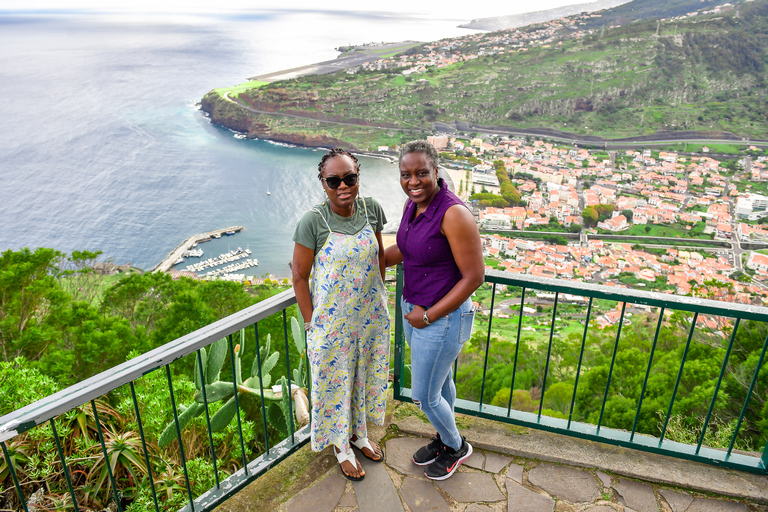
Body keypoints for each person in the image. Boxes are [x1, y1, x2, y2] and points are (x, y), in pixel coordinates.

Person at [385, 140, 484, 481]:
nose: (413, 181)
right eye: (406, 174)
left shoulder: (453, 213)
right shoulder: (412, 206)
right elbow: (407, 248)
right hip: (414, 310)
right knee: (441, 385)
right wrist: (370, 260)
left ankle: (456, 446)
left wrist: (428, 316)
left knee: (424, 397)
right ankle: (444, 439)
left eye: (421, 173)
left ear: (436, 172)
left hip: (441, 319)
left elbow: (474, 277)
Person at [291, 148, 390, 481]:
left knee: (361, 379)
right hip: (331, 326)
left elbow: (378, 256)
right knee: (335, 387)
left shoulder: (372, 209)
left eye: (350, 178)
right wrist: (311, 323)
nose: (343, 186)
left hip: (370, 319)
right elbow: (299, 277)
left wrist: (380, 296)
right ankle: (340, 446)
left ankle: (359, 435)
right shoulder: (312, 222)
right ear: (323, 182)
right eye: (334, 180)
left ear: (358, 177)